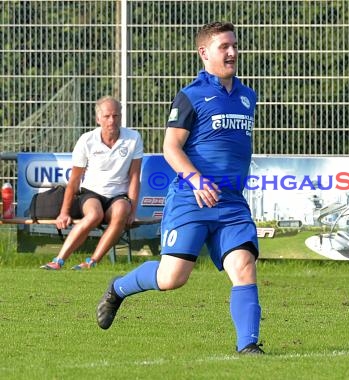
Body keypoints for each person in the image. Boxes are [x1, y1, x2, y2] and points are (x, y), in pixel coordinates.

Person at [96, 22, 264, 355]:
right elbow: (171, 147)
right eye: (223, 47)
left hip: (230, 203)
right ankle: (117, 289)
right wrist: (197, 180)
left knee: (244, 267)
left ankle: (248, 346)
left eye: (234, 45)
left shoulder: (247, 96)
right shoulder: (191, 95)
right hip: (191, 198)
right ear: (204, 53)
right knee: (172, 278)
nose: (232, 52)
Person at [40, 96, 143, 270]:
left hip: (118, 196)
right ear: (98, 119)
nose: (112, 120)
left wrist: (132, 211)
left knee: (122, 210)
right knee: (95, 215)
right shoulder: (86, 140)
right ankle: (58, 261)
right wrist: (64, 213)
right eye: (107, 116)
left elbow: (134, 177)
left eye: (116, 116)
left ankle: (91, 262)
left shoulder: (133, 138)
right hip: (91, 193)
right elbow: (74, 180)